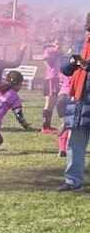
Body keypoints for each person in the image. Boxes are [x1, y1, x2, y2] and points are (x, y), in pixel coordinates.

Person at [58, 12, 90, 192]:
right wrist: (72, 61)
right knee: (75, 144)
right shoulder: (79, 44)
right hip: (79, 102)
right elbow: (64, 68)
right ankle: (73, 181)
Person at [41, 38, 62, 133]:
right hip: (51, 78)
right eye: (56, 43)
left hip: (58, 78)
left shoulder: (60, 52)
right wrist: (55, 51)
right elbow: (48, 63)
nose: (58, 45)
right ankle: (45, 127)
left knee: (53, 103)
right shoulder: (48, 51)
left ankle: (48, 125)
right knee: (49, 103)